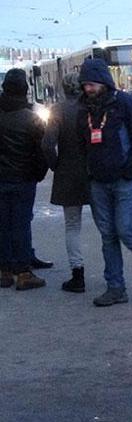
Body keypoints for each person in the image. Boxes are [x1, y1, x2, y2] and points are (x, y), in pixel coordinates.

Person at [77, 58, 132, 306]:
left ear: (103, 82)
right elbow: (83, 144)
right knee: (108, 235)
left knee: (125, 230)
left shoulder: (125, 103)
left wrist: (129, 169)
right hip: (98, 182)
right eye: (85, 85)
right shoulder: (85, 109)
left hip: (124, 180)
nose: (88, 89)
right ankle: (116, 288)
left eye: (91, 84)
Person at [0, 68, 49, 290]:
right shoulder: (32, 119)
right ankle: (23, 272)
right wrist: (37, 175)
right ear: (25, 90)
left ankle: (4, 270)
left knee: (2, 224)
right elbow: (42, 152)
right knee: (21, 224)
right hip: (23, 180)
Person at [42, 72, 89, 293]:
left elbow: (47, 144)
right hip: (94, 173)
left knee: (72, 226)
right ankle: (114, 277)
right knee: (106, 225)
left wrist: (56, 165)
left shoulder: (57, 110)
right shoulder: (91, 108)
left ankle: (77, 275)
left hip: (68, 174)